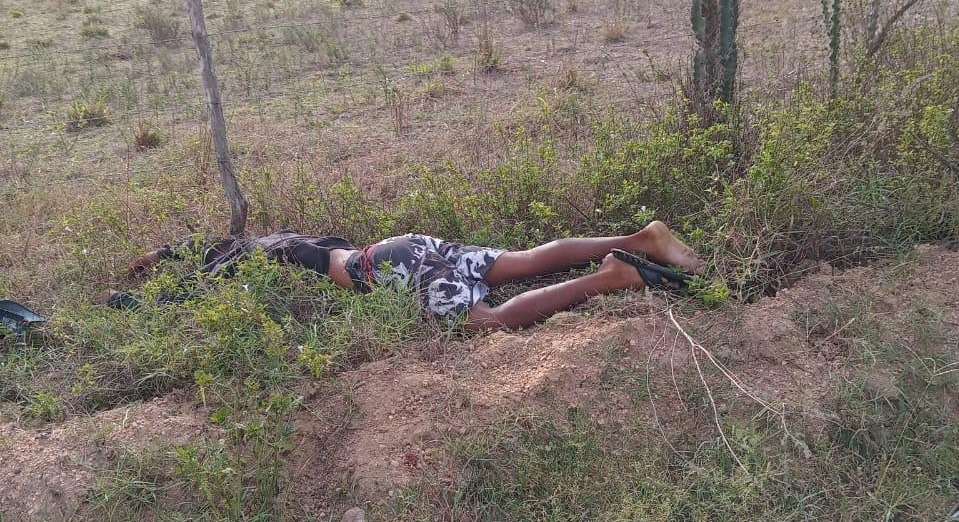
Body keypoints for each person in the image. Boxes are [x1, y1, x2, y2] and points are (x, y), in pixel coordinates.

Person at [103, 221, 703, 331]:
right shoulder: (277, 240)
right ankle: (641, 238)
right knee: (521, 260)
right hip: (405, 247)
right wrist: (158, 254)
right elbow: (200, 250)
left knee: (486, 321)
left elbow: (200, 267)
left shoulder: (249, 260)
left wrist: (151, 290)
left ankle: (611, 276)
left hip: (385, 268)